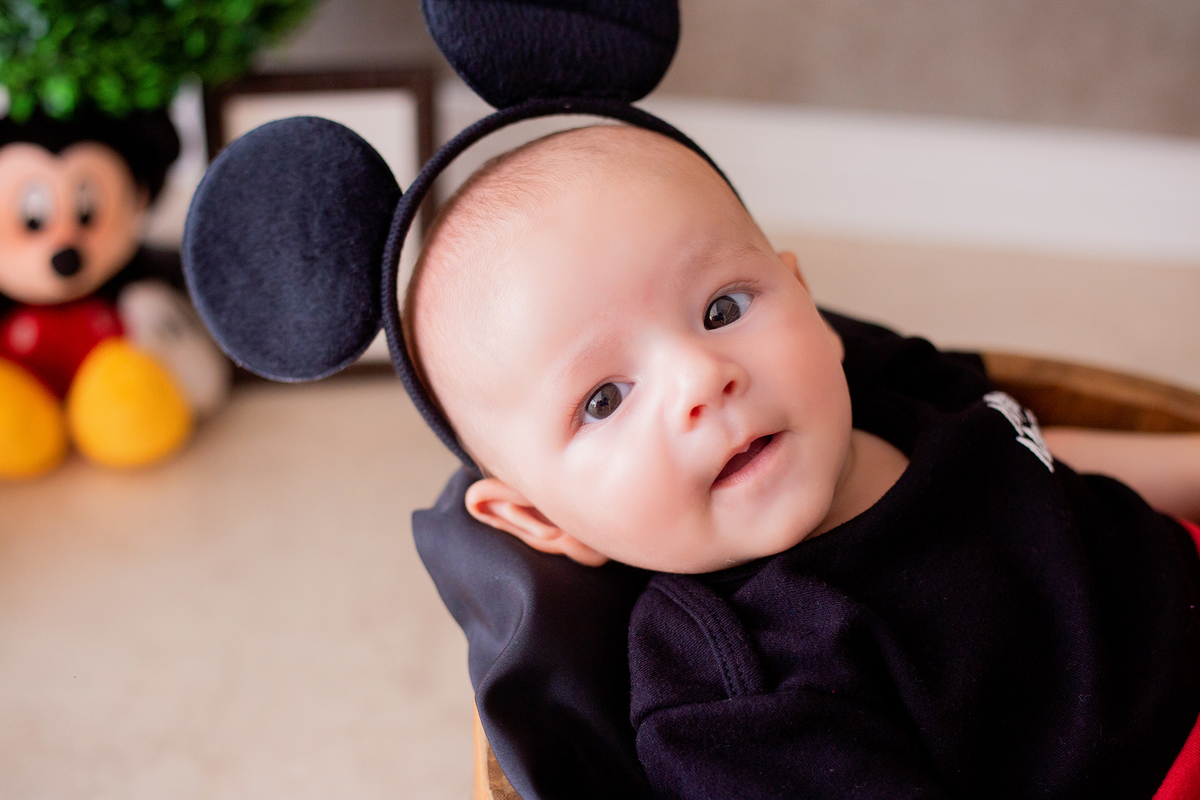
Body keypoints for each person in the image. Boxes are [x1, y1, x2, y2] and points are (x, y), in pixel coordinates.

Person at [404, 123, 1200, 798]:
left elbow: (1039, 461)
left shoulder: (891, 400)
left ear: (809, 305)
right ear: (540, 518)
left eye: (723, 308)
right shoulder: (736, 697)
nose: (702, 378)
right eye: (604, 399)